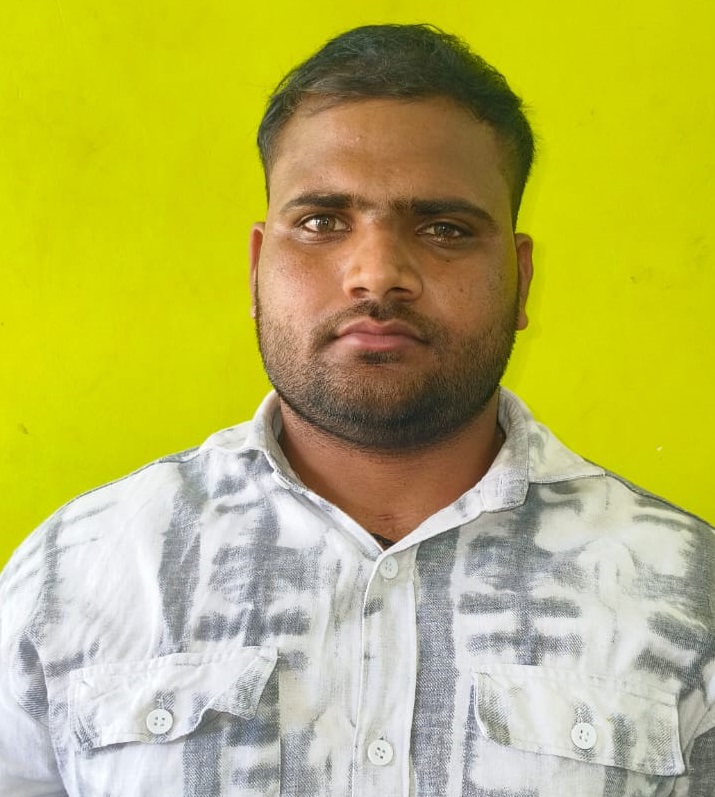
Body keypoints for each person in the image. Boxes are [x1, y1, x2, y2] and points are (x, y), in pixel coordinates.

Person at [0, 22, 713, 797]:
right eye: (321, 222)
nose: (376, 274)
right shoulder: (79, 572)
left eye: (443, 228)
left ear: (520, 277)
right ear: (256, 267)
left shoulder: (683, 588)